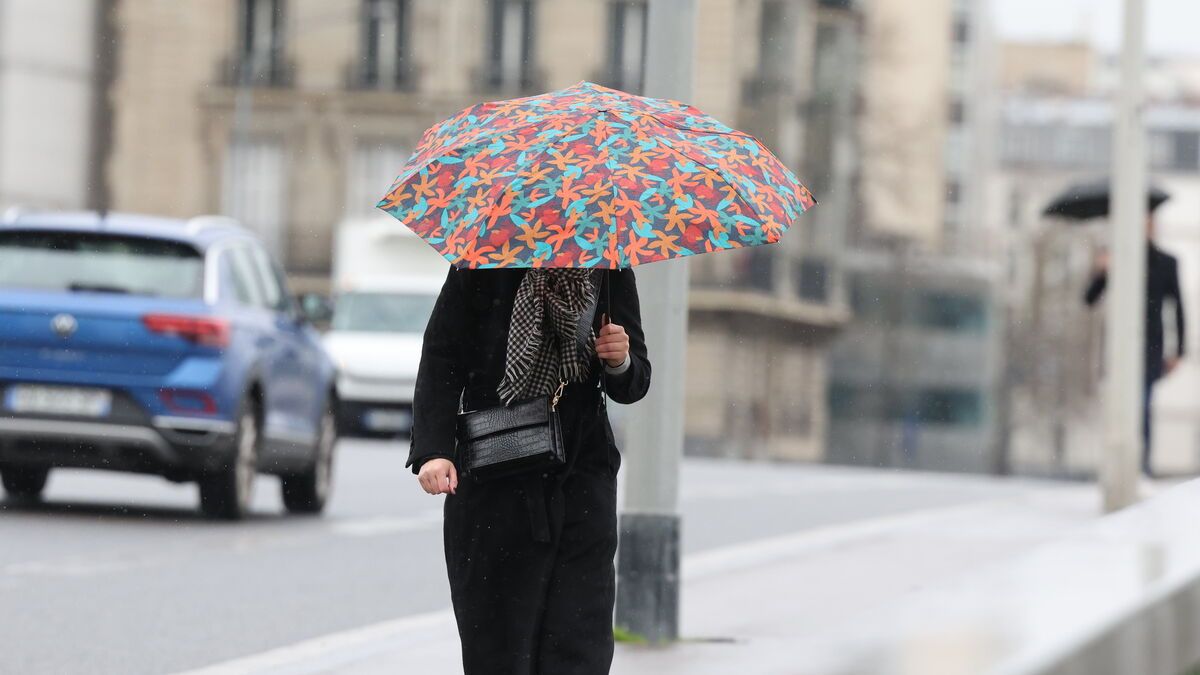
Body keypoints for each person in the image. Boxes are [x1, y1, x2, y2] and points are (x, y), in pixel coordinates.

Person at [409, 267, 650, 675]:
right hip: (496, 470)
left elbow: (633, 383)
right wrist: (434, 451)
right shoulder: (484, 257)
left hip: (581, 474)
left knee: (580, 637)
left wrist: (619, 359)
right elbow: (442, 354)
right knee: (498, 640)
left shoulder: (608, 266)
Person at [1084, 216, 1186, 477]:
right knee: (1118, 405)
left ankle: (1141, 467)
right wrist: (1102, 271)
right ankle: (1116, 465)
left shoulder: (1166, 262)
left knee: (1142, 404)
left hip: (1151, 344)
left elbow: (1178, 307)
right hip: (1119, 345)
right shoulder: (1118, 260)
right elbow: (1089, 299)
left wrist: (1179, 351)